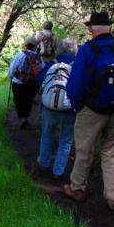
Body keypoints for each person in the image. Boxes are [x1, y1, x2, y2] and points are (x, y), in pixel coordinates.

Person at [63, 12, 114, 211]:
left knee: (84, 151)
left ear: (92, 29)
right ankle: (113, 197)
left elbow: (74, 87)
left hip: (91, 111)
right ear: (109, 27)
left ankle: (77, 188)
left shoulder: (86, 51)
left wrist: (78, 106)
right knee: (110, 152)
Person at [36, 38, 78, 180]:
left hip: (49, 108)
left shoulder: (51, 64)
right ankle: (58, 172)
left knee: (46, 134)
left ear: (59, 50)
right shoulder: (78, 66)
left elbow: (38, 80)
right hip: (69, 109)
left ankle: (43, 163)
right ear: (74, 50)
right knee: (66, 140)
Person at [8, 35, 44, 129]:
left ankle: (22, 118)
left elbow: (12, 69)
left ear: (25, 45)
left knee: (18, 100)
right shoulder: (38, 58)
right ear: (35, 45)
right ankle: (26, 117)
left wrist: (11, 76)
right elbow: (42, 69)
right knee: (28, 101)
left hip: (18, 83)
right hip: (31, 84)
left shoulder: (20, 55)